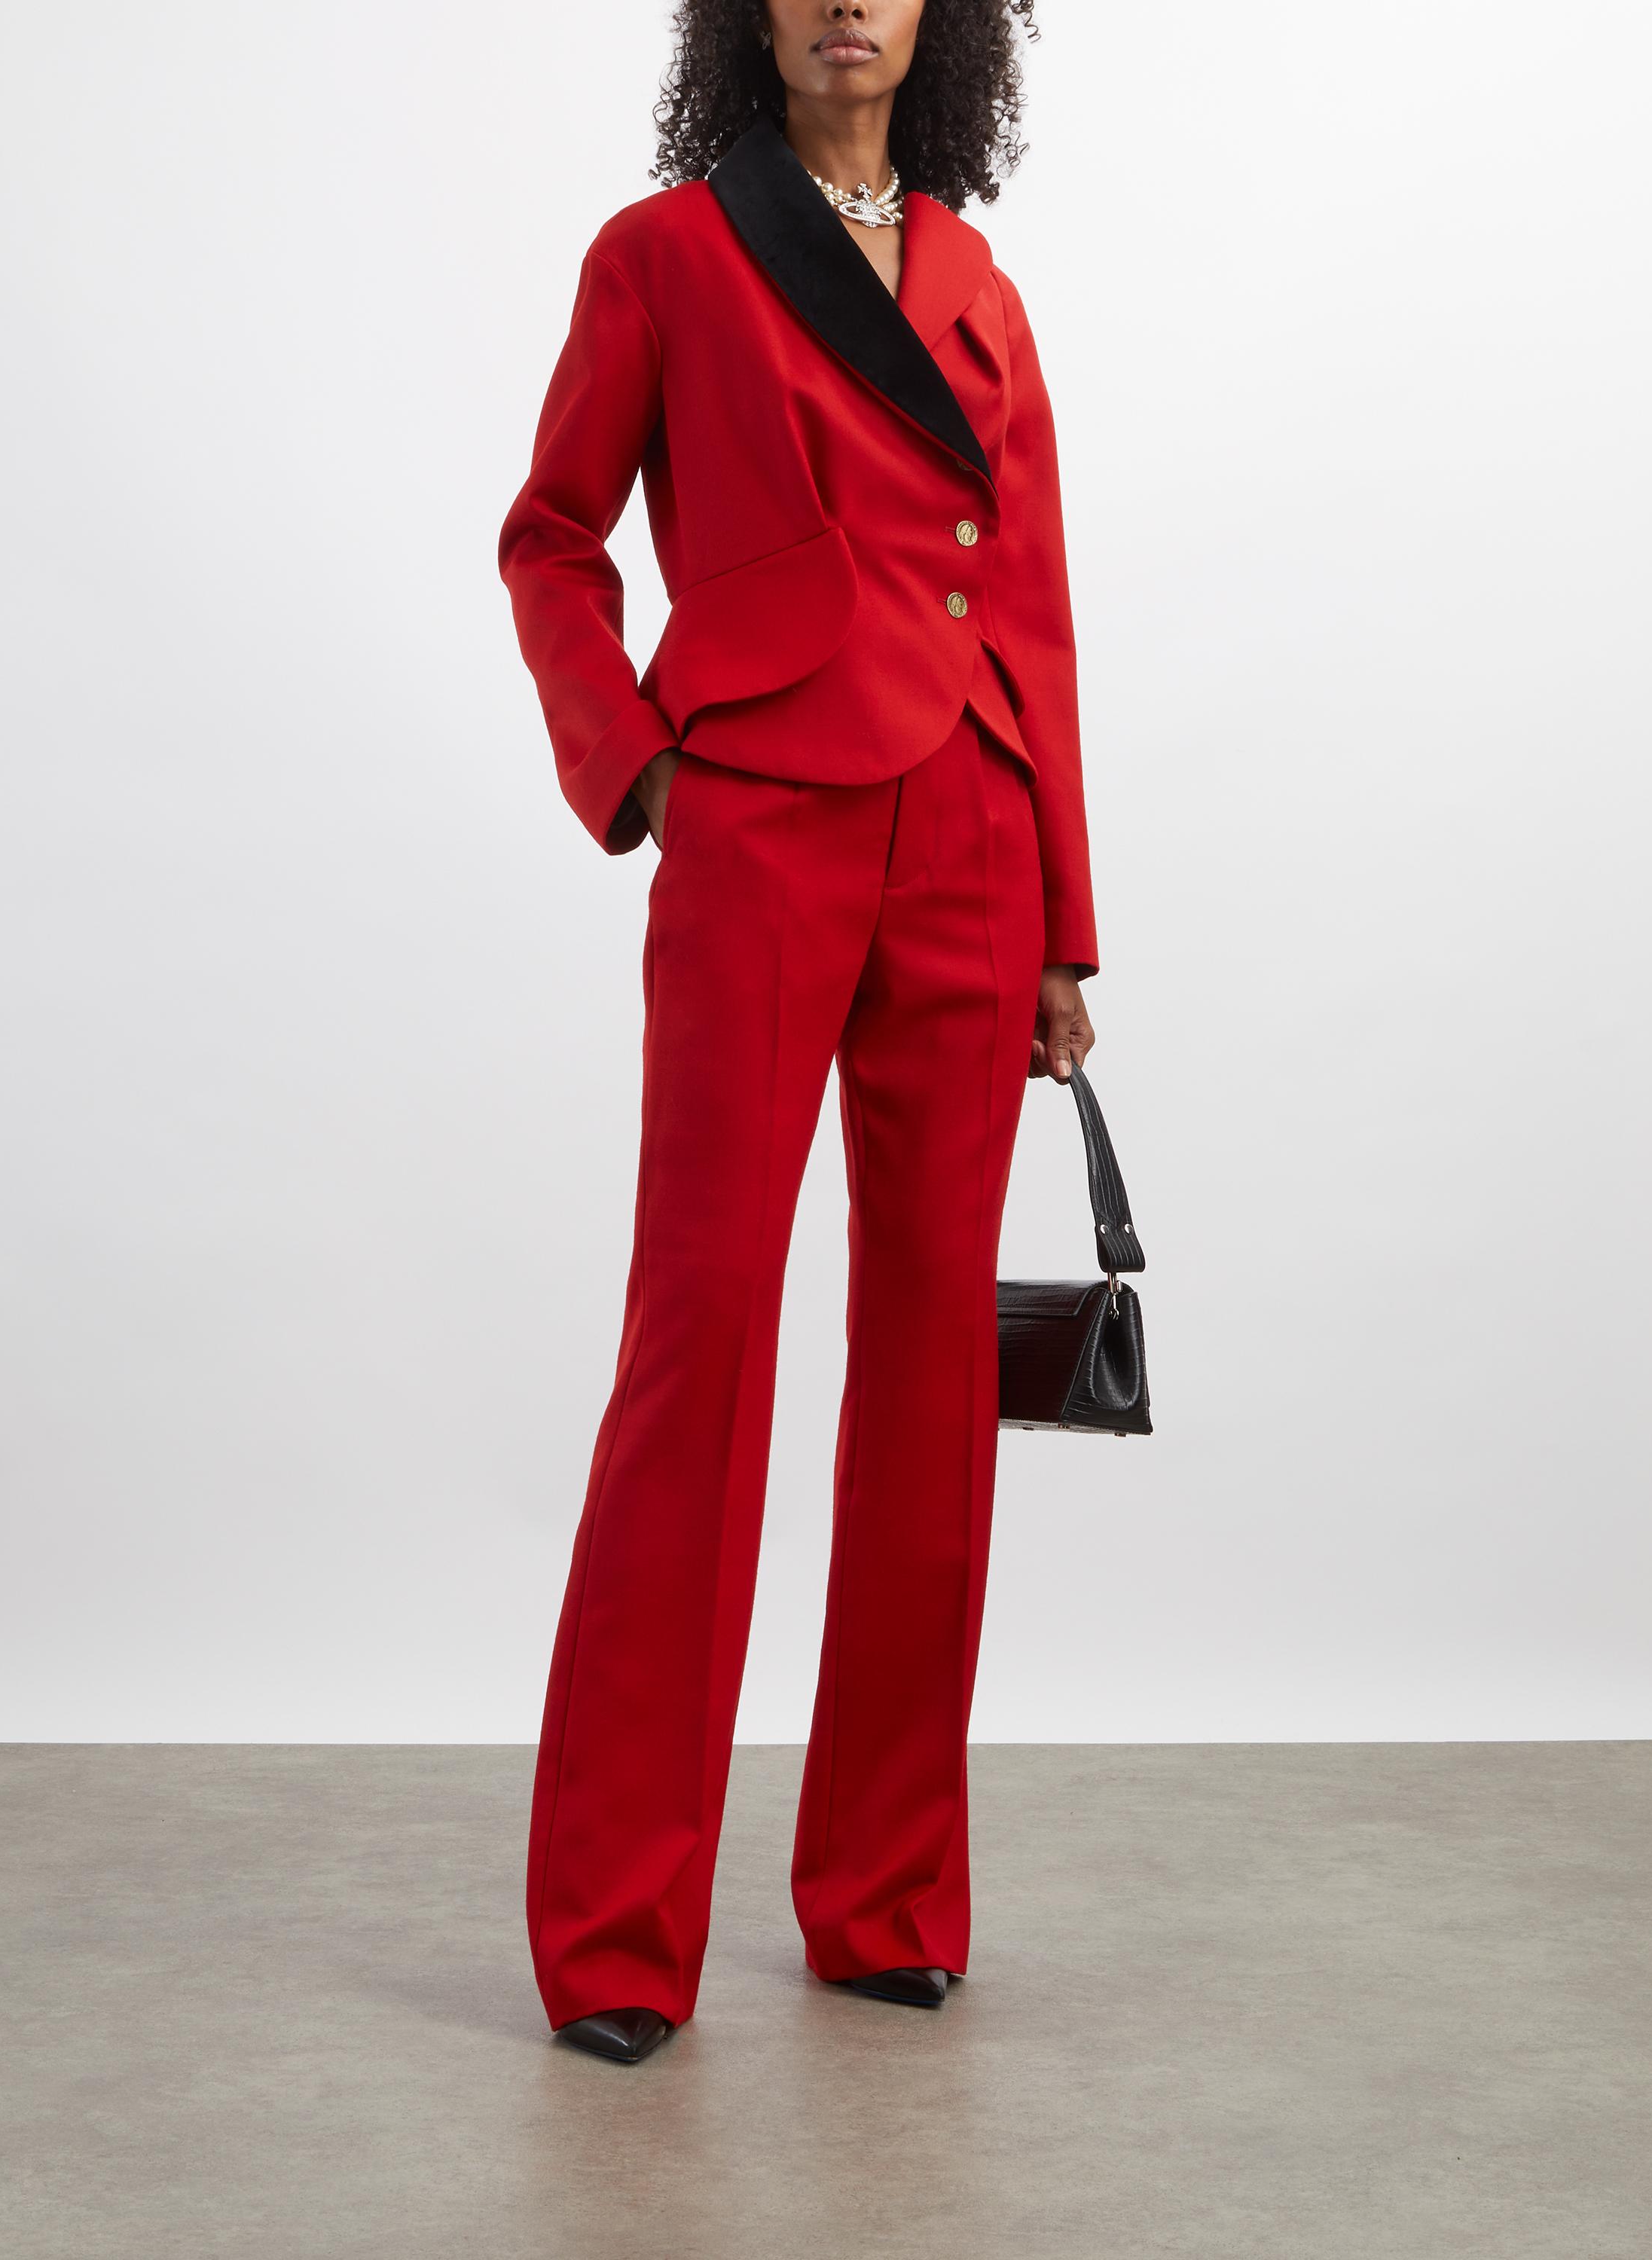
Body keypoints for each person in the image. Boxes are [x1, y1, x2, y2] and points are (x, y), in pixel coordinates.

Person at [499, 0, 1098, 2065]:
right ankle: (614, 1931)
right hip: (758, 822)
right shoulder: (663, 253)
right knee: (703, 1344)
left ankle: (887, 1895)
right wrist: (639, 769)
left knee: (932, 1370)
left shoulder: (980, 283)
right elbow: (552, 536)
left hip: (973, 840)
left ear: (943, 22)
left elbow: (1032, 603)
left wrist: (1064, 923)